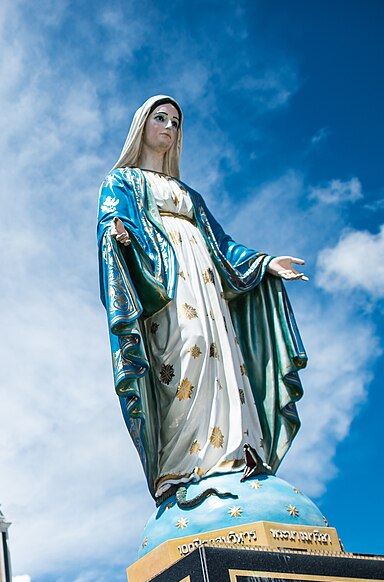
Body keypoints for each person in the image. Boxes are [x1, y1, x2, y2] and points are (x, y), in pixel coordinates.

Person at [98, 95, 309, 504]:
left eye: (175, 122)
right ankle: (181, 465)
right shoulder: (122, 181)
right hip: (166, 281)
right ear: (142, 125)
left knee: (223, 357)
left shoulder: (187, 194)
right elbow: (111, 221)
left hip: (206, 281)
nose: (168, 127)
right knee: (189, 347)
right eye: (160, 118)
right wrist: (119, 235)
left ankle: (235, 454)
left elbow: (223, 246)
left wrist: (265, 263)